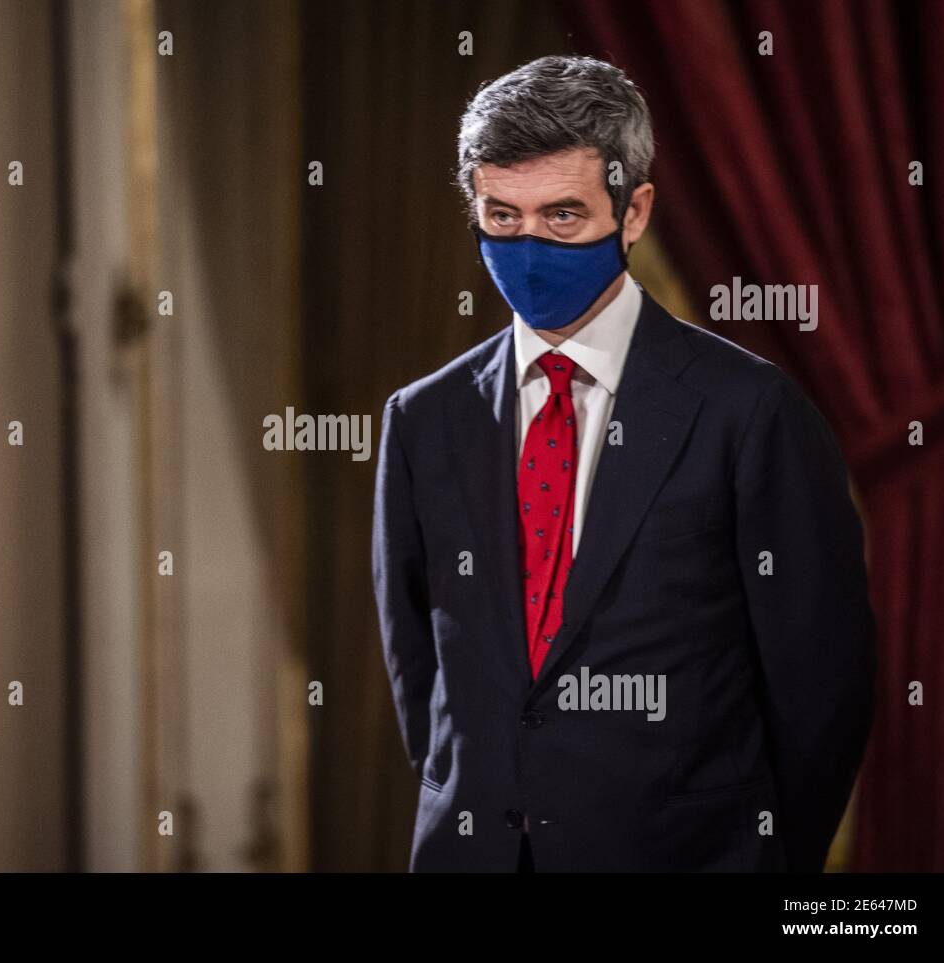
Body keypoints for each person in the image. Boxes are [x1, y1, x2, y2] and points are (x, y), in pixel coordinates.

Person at [372, 55, 875, 872]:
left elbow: (822, 690)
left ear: (634, 210)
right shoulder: (424, 419)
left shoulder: (749, 412)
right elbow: (422, 671)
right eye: (502, 215)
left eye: (563, 216)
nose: (528, 246)